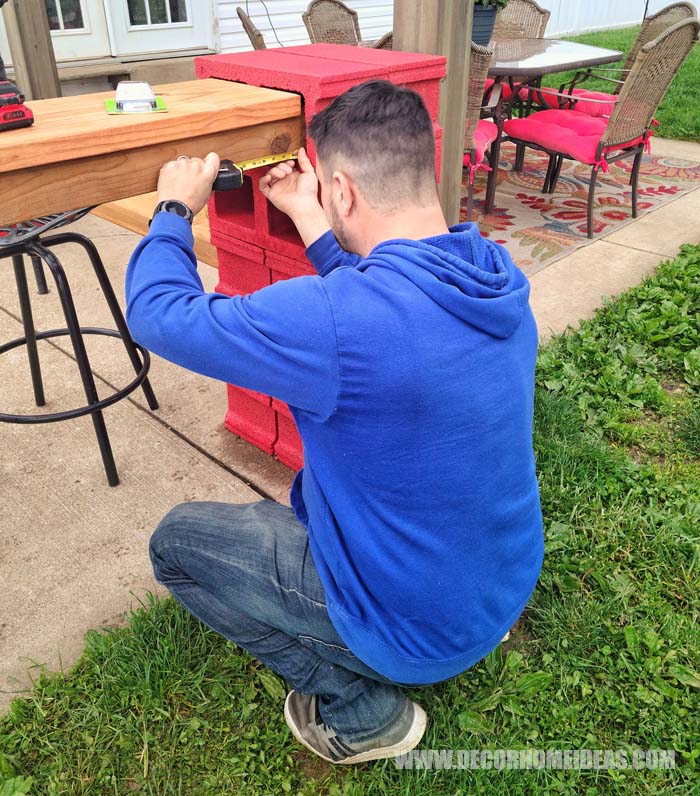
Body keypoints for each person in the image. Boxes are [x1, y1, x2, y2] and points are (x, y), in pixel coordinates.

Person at [125, 79, 544, 765]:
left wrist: (173, 208)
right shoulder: (491, 273)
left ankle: (364, 712)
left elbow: (161, 315)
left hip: (415, 633)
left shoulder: (334, 321)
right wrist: (306, 215)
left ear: (342, 189)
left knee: (177, 544)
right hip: (498, 585)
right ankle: (463, 627)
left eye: (326, 191)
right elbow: (386, 298)